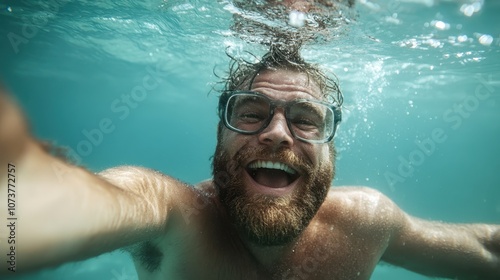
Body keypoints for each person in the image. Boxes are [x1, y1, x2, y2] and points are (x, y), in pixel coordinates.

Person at [0, 47, 499, 280]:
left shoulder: (366, 224)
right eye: (251, 113)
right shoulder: (177, 220)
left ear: (331, 149)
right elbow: (75, 204)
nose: (277, 132)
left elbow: (483, 249)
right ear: (219, 138)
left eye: (305, 120)